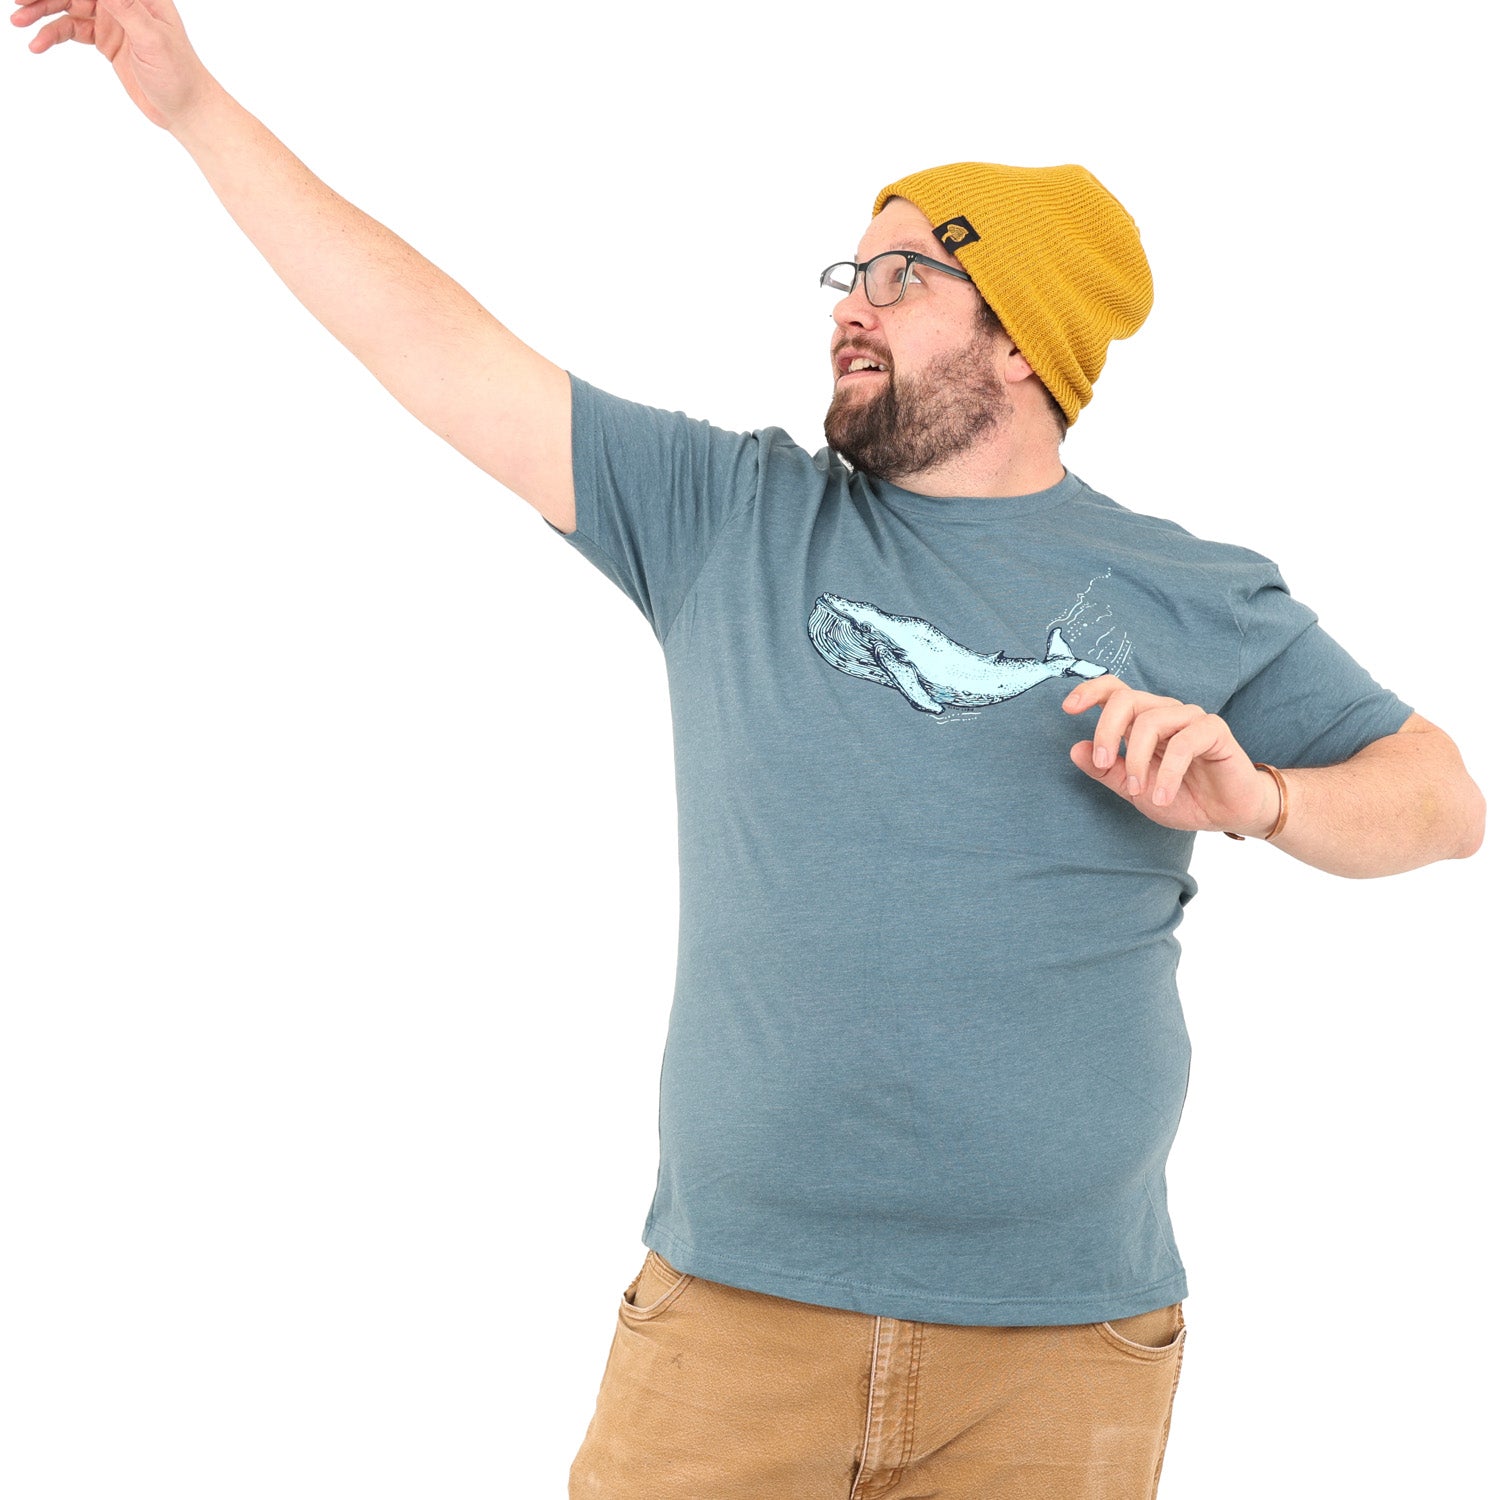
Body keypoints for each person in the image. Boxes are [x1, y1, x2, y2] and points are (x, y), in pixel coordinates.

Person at [13, 2, 1485, 1497]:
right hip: (732, 1322)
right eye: (853, 267)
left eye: (909, 272)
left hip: (1063, 1346)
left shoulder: (1192, 587)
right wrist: (196, 109)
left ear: (1028, 336)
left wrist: (1268, 795)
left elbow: (1443, 801)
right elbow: (433, 341)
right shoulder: (733, 520)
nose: (853, 299)